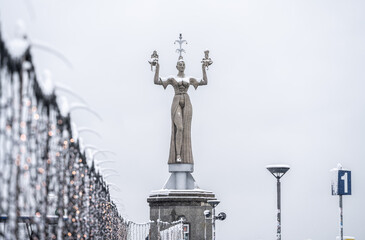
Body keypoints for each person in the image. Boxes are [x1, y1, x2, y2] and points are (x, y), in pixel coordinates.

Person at [153, 56, 208, 164]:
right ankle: (177, 155)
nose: (182, 66)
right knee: (180, 127)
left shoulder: (189, 79)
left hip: (187, 102)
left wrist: (203, 67)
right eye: (180, 64)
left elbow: (204, 81)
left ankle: (185, 155)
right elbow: (156, 81)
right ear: (176, 66)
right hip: (176, 100)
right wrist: (157, 67)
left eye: (183, 64)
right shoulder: (172, 79)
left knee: (186, 129)